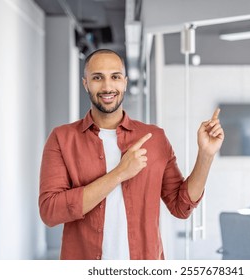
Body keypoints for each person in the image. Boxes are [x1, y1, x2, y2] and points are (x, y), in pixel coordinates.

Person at [38, 49, 224, 260]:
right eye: (97, 77)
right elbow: (50, 211)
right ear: (85, 84)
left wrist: (206, 155)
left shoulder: (154, 137)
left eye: (115, 77)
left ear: (125, 82)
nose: (107, 86)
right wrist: (119, 173)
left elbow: (181, 207)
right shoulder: (62, 138)